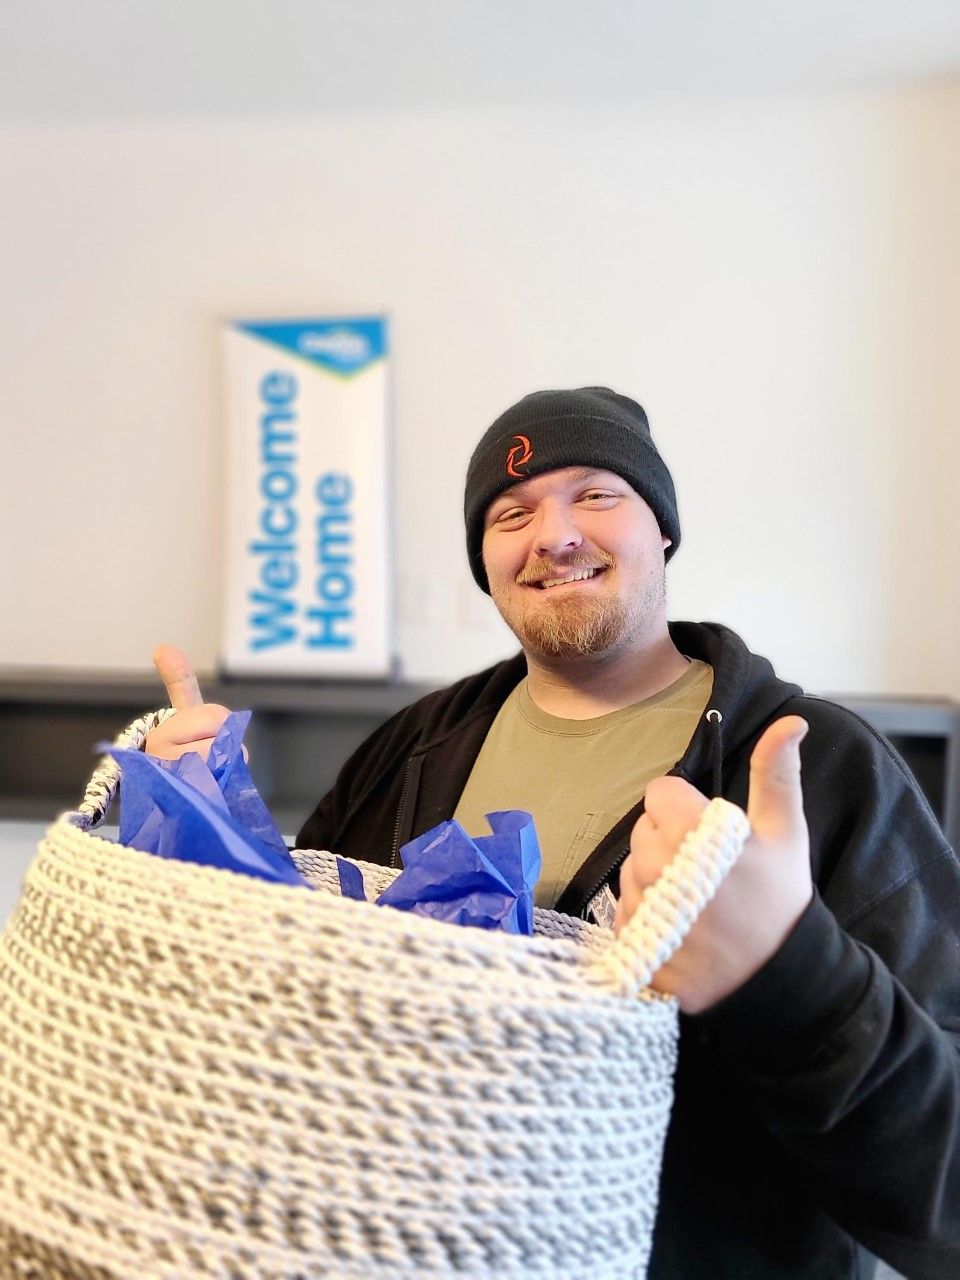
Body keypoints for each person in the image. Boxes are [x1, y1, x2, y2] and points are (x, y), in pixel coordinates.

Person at [147, 386, 960, 1279]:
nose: (555, 535)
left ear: (663, 530)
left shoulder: (817, 767)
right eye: (513, 513)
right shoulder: (408, 749)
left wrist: (788, 973)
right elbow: (288, 1011)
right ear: (486, 560)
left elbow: (945, 1184)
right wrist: (204, 832)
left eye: (596, 495)